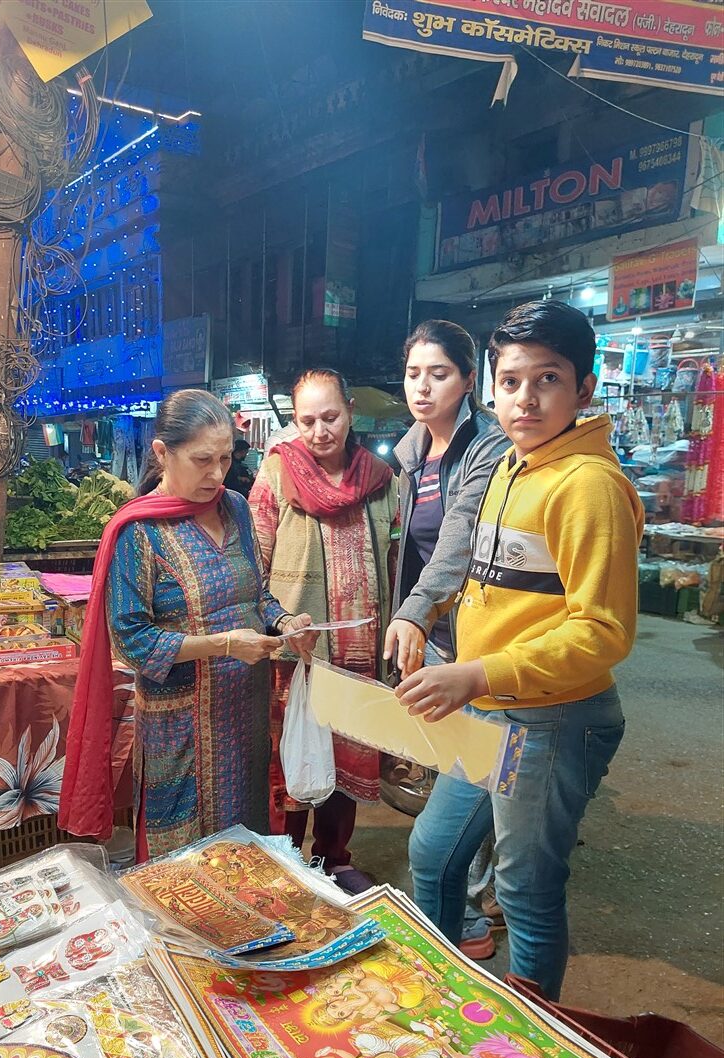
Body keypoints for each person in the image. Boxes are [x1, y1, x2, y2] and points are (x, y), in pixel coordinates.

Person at [397, 300, 643, 1000]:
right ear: (492, 388)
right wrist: (427, 618)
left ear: (583, 389)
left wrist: (476, 672)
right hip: (491, 709)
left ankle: (528, 1048)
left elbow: (603, 633)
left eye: (548, 380)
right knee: (434, 854)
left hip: (553, 718)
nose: (525, 399)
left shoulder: (588, 486)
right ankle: (446, 997)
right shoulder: (510, 466)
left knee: (525, 886)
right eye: (511, 382)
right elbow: (483, 575)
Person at [59, 389, 316, 858]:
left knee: (246, 850)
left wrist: (285, 622)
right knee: (182, 864)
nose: (217, 473)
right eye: (202, 460)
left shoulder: (235, 508)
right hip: (180, 728)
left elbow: (256, 593)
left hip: (245, 715)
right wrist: (222, 645)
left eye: (225, 457)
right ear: (162, 454)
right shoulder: (138, 531)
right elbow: (132, 640)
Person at [385, 320, 508, 960]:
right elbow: (409, 544)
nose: (423, 386)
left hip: (479, 636)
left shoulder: (486, 447)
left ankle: (469, 917)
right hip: (436, 633)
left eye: (439, 373)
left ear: (467, 380)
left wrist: (414, 609)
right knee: (451, 770)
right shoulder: (410, 451)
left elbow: (458, 540)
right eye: (413, 373)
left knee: (476, 772)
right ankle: (462, 913)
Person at [249, 368, 399, 894]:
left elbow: (398, 560)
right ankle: (286, 858)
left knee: (347, 757)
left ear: (350, 411)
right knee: (291, 756)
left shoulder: (380, 480)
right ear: (294, 421)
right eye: (307, 420)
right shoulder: (276, 477)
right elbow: (254, 561)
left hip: (360, 652)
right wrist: (276, 622)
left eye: (330, 417)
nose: (319, 431)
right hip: (298, 653)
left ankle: (334, 857)